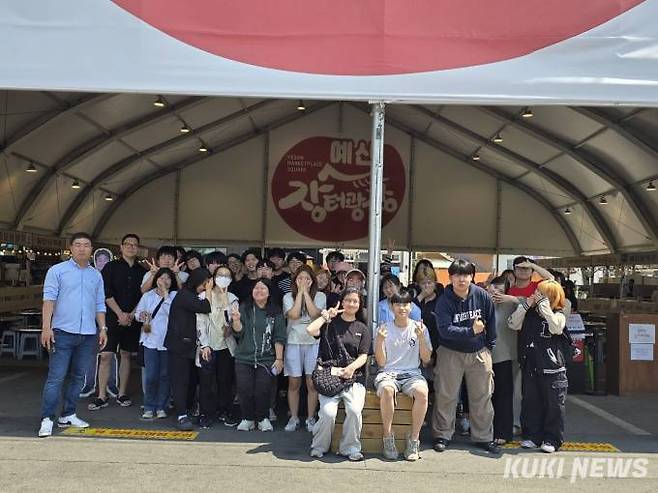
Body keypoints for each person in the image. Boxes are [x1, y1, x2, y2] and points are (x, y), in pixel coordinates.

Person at [38, 232, 108, 437]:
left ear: (91, 249)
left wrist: (102, 328)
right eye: (78, 245)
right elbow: (48, 300)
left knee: (78, 377)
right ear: (71, 248)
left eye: (86, 245)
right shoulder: (57, 271)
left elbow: (99, 303)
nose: (82, 248)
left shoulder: (95, 274)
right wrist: (46, 327)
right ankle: (47, 418)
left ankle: (68, 414)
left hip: (88, 333)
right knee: (56, 378)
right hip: (61, 331)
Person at [431, 259, 500, 454]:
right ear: (451, 277)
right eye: (457, 275)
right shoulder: (444, 300)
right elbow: (445, 331)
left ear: (472, 276)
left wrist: (489, 348)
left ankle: (484, 437)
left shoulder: (482, 296)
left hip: (479, 353)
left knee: (483, 396)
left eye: (466, 275)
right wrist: (471, 331)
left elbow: (492, 324)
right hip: (450, 353)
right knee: (446, 396)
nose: (462, 279)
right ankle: (442, 435)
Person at [306, 288, 372, 461]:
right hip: (330, 376)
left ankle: (350, 448)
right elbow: (310, 330)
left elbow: (364, 355)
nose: (351, 304)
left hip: (353, 378)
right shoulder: (330, 324)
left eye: (355, 301)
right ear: (342, 302)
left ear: (359, 305)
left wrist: (351, 368)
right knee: (328, 413)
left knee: (354, 409)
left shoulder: (362, 328)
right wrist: (325, 317)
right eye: (348, 300)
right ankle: (319, 445)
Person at [508, 280, 569, 453]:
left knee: (554, 405)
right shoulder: (529, 313)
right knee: (530, 402)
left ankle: (552, 439)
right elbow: (512, 324)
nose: (537, 296)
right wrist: (525, 306)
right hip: (530, 366)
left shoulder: (559, 313)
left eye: (542, 293)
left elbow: (556, 327)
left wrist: (545, 309)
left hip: (552, 369)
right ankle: (532, 436)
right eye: (537, 292)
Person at [90, 233, 147, 411]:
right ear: (121, 247)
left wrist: (131, 314)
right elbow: (105, 293)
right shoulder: (110, 268)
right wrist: (120, 314)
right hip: (111, 317)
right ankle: (101, 395)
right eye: (127, 244)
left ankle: (122, 393)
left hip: (132, 319)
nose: (131, 247)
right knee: (106, 355)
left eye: (134, 245)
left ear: (138, 248)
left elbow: (144, 295)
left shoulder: (143, 271)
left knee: (126, 354)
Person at [374, 289, 432, 461]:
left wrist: (421, 339)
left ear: (411, 306)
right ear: (391, 307)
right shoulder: (383, 328)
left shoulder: (419, 327)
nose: (402, 308)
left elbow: (427, 359)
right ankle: (387, 436)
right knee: (387, 390)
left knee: (422, 392)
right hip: (388, 373)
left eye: (405, 304)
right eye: (397, 304)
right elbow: (381, 363)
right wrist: (379, 341)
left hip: (412, 373)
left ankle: (414, 439)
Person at [232, 278, 286, 432]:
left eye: (263, 288)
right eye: (256, 288)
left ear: (269, 292)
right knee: (244, 389)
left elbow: (279, 336)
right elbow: (238, 332)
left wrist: (279, 359)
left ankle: (263, 418)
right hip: (244, 357)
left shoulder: (275, 311)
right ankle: (247, 418)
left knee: (263, 390)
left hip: (266, 358)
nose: (259, 291)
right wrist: (236, 320)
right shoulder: (245, 308)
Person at [165, 268, 213, 430]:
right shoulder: (185, 295)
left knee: (189, 381)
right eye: (205, 283)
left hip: (188, 345)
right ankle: (181, 415)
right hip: (179, 346)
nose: (205, 287)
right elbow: (206, 306)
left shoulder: (188, 294)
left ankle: (185, 410)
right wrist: (209, 291)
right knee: (181, 381)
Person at [283, 265, 326, 433]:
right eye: (300, 278)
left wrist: (306, 293)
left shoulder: (320, 296)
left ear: (312, 281)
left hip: (313, 342)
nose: (303, 281)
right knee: (294, 382)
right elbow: (293, 315)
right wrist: (299, 294)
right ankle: (293, 417)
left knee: (312, 383)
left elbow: (315, 314)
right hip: (293, 342)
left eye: (307, 278)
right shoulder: (288, 296)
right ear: (295, 280)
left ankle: (310, 417)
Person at [196, 265, 239, 428]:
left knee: (225, 382)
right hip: (207, 346)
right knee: (206, 382)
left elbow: (230, 322)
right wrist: (204, 344)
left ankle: (225, 411)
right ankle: (205, 414)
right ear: (213, 277)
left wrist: (225, 299)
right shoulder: (203, 296)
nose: (223, 278)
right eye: (220, 275)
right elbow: (200, 322)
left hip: (226, 347)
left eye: (227, 276)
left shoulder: (233, 297)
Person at [134, 267, 177, 420]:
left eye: (167, 278)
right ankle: (148, 406)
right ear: (156, 279)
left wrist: (165, 295)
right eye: (161, 278)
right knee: (151, 376)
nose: (164, 281)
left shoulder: (174, 295)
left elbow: (172, 313)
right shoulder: (147, 296)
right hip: (150, 341)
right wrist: (142, 315)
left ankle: (161, 407)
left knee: (165, 376)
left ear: (172, 281)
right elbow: (137, 314)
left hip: (168, 343)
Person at [487, 275, 518, 445]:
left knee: (504, 396)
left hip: (505, 356)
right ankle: (486, 430)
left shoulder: (511, 303)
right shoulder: (484, 302)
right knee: (485, 396)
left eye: (499, 289)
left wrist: (511, 298)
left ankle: (503, 432)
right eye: (493, 288)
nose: (496, 292)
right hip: (484, 356)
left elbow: (527, 304)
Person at [412, 265, 443, 357]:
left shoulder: (440, 301)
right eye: (423, 283)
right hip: (415, 346)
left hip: (436, 345)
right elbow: (408, 312)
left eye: (429, 283)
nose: (426, 286)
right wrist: (421, 296)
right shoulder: (415, 301)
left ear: (435, 283)